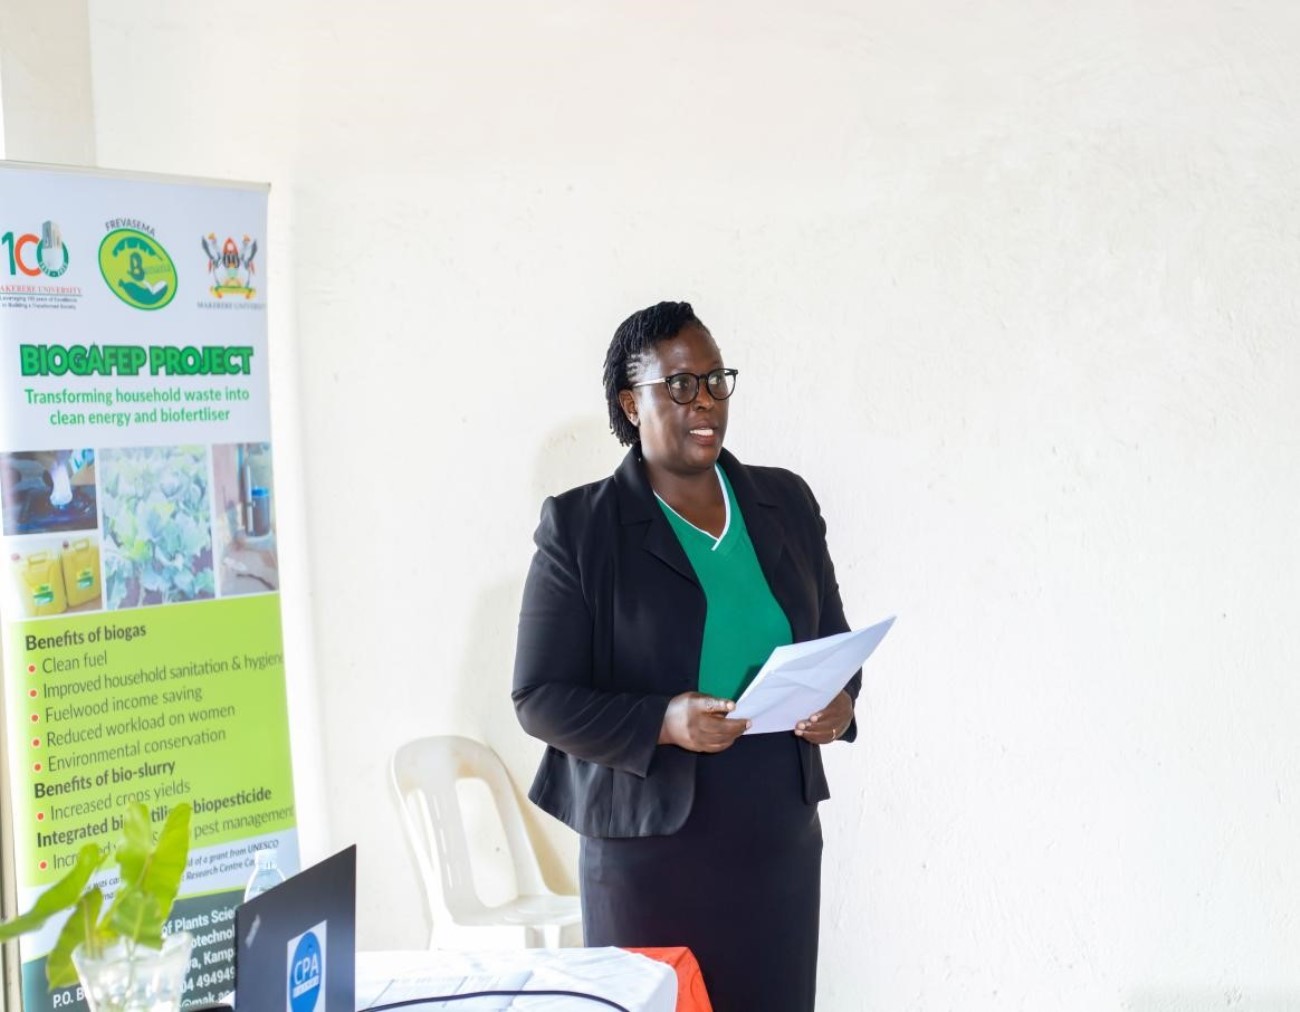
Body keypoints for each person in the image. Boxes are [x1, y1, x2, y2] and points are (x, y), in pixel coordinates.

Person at [512, 301, 859, 1011]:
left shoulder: (785, 503)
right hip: (650, 853)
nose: (703, 402)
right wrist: (663, 721)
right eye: (677, 385)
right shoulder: (581, 528)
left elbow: (834, 641)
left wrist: (841, 699)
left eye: (713, 381)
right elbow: (538, 696)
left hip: (776, 838)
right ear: (629, 405)